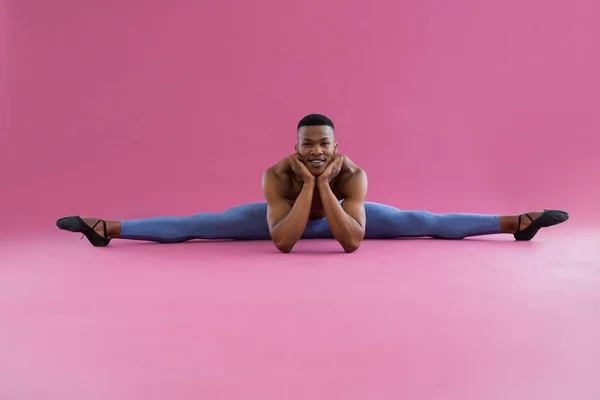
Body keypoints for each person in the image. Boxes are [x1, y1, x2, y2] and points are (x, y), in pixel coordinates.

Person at [56, 113, 569, 253]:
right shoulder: (276, 175)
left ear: (335, 144)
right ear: (296, 147)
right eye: (308, 146)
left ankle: (517, 223)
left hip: (344, 222)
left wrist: (323, 186)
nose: (317, 152)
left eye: (324, 144)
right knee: (199, 224)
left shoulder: (354, 174)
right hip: (283, 222)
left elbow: (350, 242)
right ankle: (108, 228)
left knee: (424, 221)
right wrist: (304, 185)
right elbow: (283, 242)